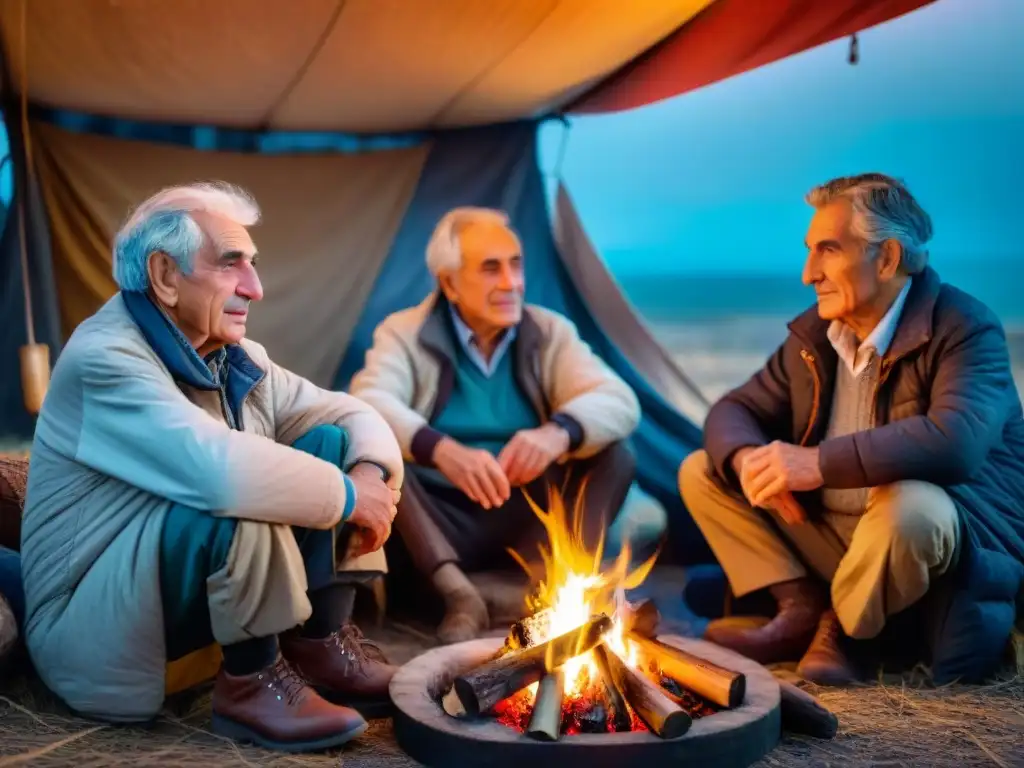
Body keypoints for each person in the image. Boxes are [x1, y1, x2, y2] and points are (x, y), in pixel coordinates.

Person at [20, 182, 406, 752]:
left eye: (252, 265)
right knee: (238, 487)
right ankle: (251, 682)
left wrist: (368, 476)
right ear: (165, 276)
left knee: (327, 442)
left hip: (165, 593)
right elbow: (217, 470)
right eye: (231, 265)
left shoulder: (232, 356)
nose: (256, 288)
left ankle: (321, 643)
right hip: (91, 621)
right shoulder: (105, 357)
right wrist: (349, 499)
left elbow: (348, 412)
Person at [679, 173, 1024, 685]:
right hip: (831, 536)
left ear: (886, 258)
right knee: (706, 469)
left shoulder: (966, 329)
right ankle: (800, 609)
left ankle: (845, 627)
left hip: (927, 555)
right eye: (809, 251)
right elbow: (733, 409)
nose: (807, 273)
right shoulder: (818, 334)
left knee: (911, 507)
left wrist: (815, 464)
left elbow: (956, 443)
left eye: (828, 251)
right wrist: (751, 461)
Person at [350, 207, 642, 643]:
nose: (511, 283)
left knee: (616, 454)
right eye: (491, 269)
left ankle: (548, 585)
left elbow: (620, 401)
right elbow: (366, 402)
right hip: (439, 521)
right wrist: (441, 450)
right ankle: (458, 596)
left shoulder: (549, 331)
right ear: (449, 283)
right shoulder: (404, 332)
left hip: (526, 515)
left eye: (516, 265)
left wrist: (557, 432)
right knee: (383, 462)